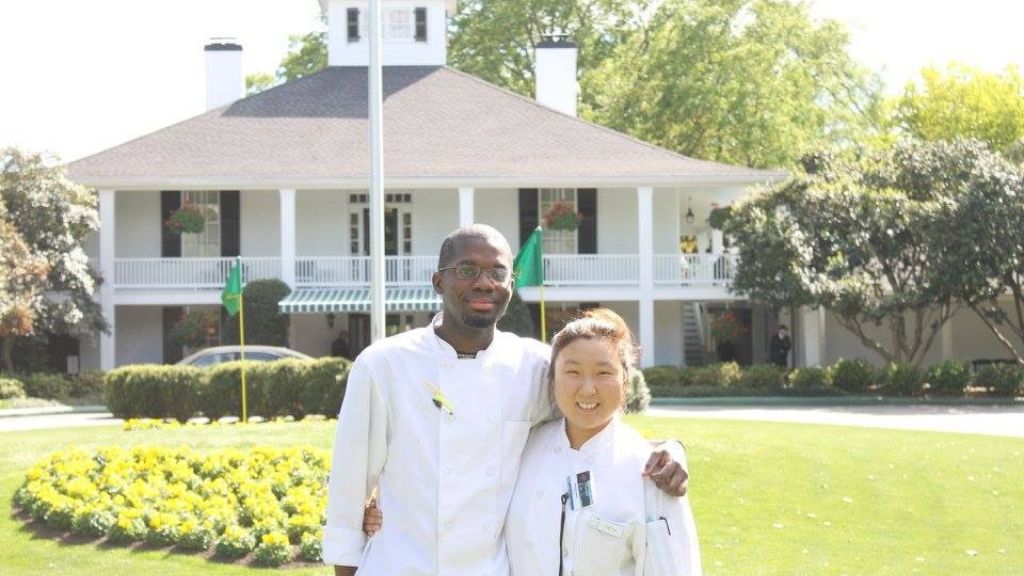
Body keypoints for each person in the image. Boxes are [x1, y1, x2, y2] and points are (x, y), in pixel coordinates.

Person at [323, 224, 687, 576]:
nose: (484, 282)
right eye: (467, 269)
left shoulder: (534, 365)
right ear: (438, 281)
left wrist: (668, 450)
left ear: (510, 285)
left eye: (498, 272)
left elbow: (591, 420)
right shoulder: (384, 364)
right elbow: (347, 495)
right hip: (399, 567)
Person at [505, 309, 701, 575]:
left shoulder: (652, 473)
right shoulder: (520, 451)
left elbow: (674, 568)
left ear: (625, 380)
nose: (587, 389)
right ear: (552, 379)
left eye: (603, 373)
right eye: (572, 372)